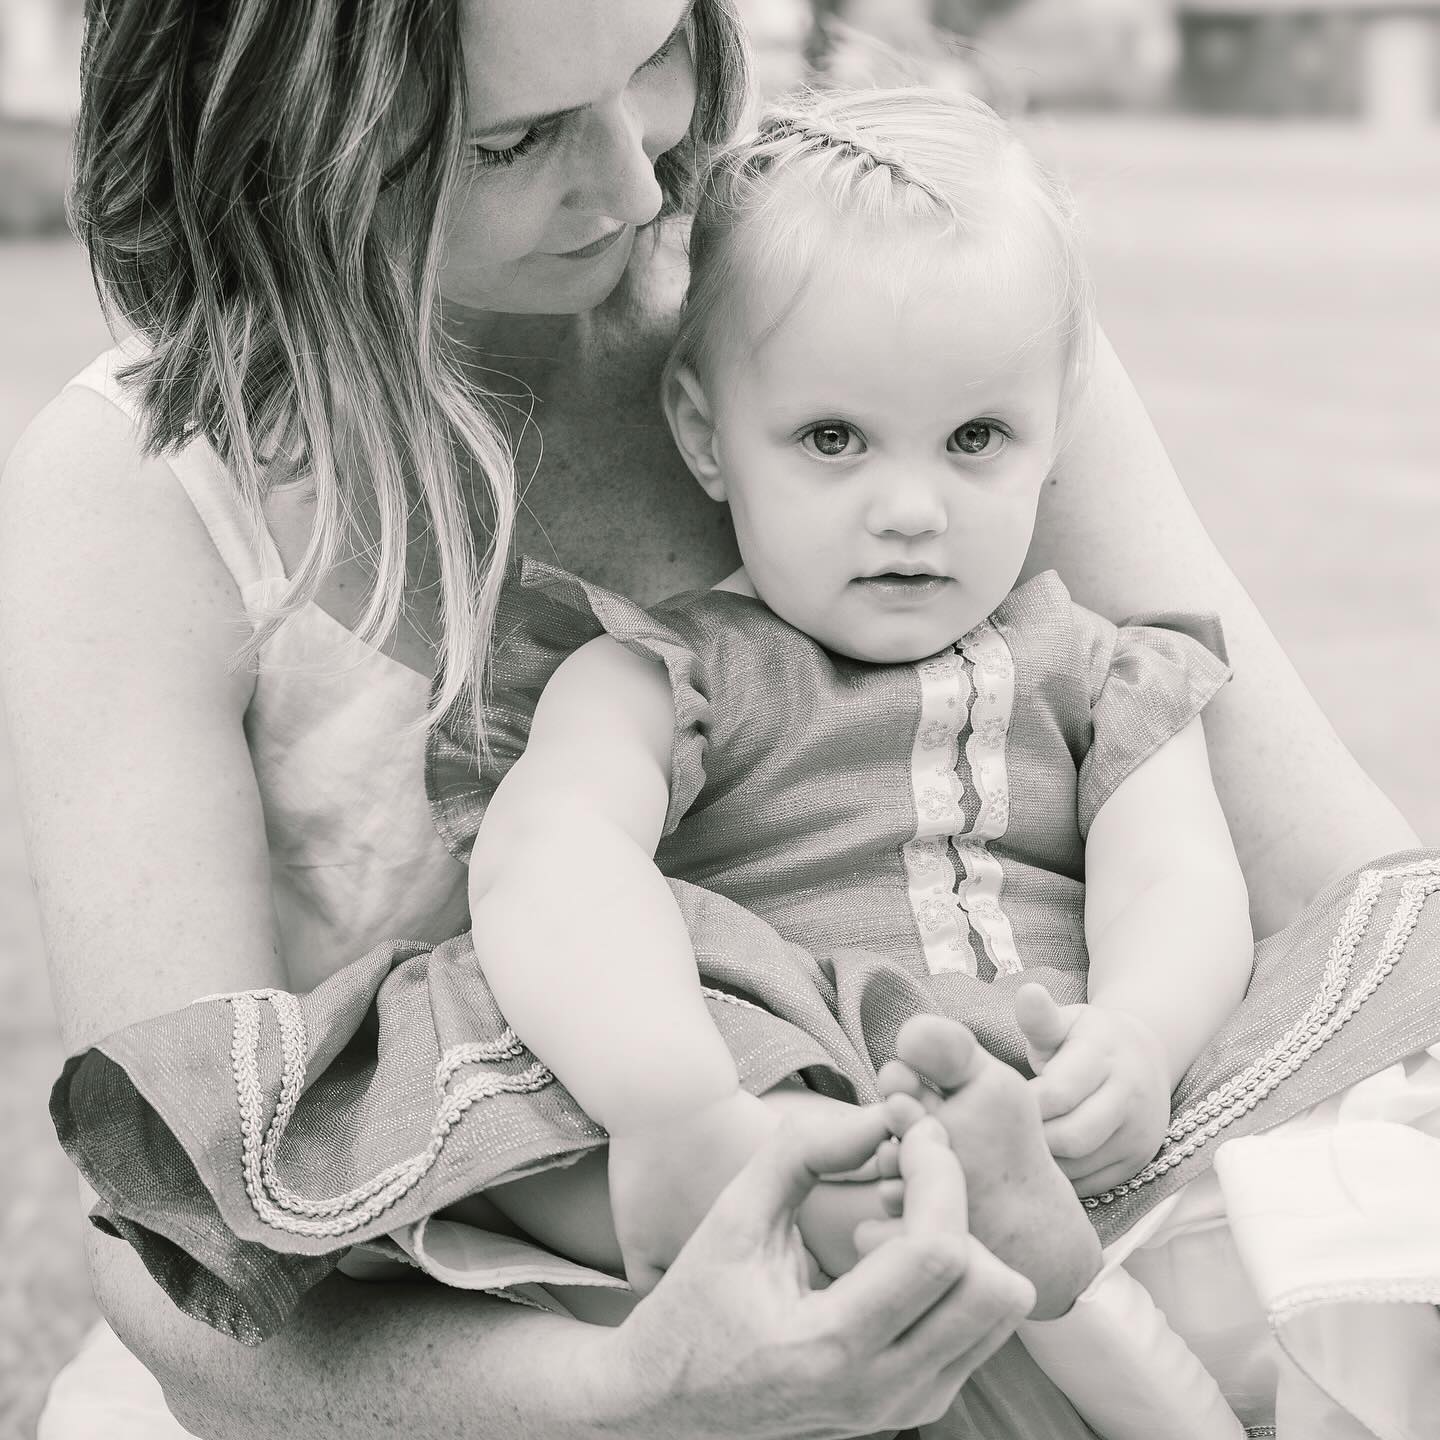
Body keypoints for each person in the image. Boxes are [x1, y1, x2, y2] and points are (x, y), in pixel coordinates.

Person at [0, 1, 1427, 1438]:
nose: (637, 186)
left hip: (1047, 1133)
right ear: (285, 132)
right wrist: (644, 1385)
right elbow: (188, 1256)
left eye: (656, 63)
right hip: (529, 1347)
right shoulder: (139, 499)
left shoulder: (901, 294)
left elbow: (1334, 888)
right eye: (513, 141)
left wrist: (1135, 1041)